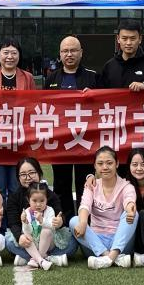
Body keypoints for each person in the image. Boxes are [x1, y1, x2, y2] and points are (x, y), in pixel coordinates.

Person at [43, 35, 97, 221]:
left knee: (86, 184)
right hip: (60, 141)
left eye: (73, 50)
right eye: (65, 51)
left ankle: (85, 223)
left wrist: (95, 96)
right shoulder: (51, 78)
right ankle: (63, 224)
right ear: (59, 54)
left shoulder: (93, 77)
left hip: (86, 141)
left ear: (81, 53)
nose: (69, 54)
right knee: (61, 184)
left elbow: (105, 106)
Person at [0, 38, 33, 213]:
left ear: (19, 55)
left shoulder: (28, 77)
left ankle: (16, 225)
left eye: (14, 53)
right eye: (6, 52)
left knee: (18, 188)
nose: (10, 57)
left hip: (19, 141)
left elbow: (33, 107)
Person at [71, 146, 138, 269]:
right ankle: (111, 258)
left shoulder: (126, 186)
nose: (105, 167)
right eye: (100, 163)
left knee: (135, 215)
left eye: (109, 163)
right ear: (95, 166)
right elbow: (84, 205)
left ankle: (109, 257)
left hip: (120, 242)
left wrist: (130, 210)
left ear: (117, 164)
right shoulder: (91, 185)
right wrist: (83, 222)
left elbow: (129, 200)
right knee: (74, 221)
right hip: (95, 243)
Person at [5, 157, 77, 267]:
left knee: (72, 243)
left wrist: (60, 221)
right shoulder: (14, 198)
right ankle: (49, 258)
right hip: (28, 238)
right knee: (8, 242)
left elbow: (59, 214)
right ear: (18, 177)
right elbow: (13, 223)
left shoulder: (50, 195)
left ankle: (32, 258)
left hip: (48, 238)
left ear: (39, 173)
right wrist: (20, 236)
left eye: (31, 173)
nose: (28, 177)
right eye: (23, 174)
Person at [98, 18, 144, 91]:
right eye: (124, 38)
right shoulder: (109, 66)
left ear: (140, 39)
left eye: (132, 39)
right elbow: (100, 91)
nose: (128, 43)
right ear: (118, 39)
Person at [19, 182, 65, 270]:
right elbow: (27, 232)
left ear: (47, 199)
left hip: (48, 242)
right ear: (28, 200)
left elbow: (52, 227)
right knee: (25, 237)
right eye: (34, 201)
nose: (38, 204)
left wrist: (42, 220)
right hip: (34, 242)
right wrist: (25, 222)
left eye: (42, 201)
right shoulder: (27, 212)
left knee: (46, 231)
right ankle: (42, 260)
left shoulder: (49, 210)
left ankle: (35, 259)